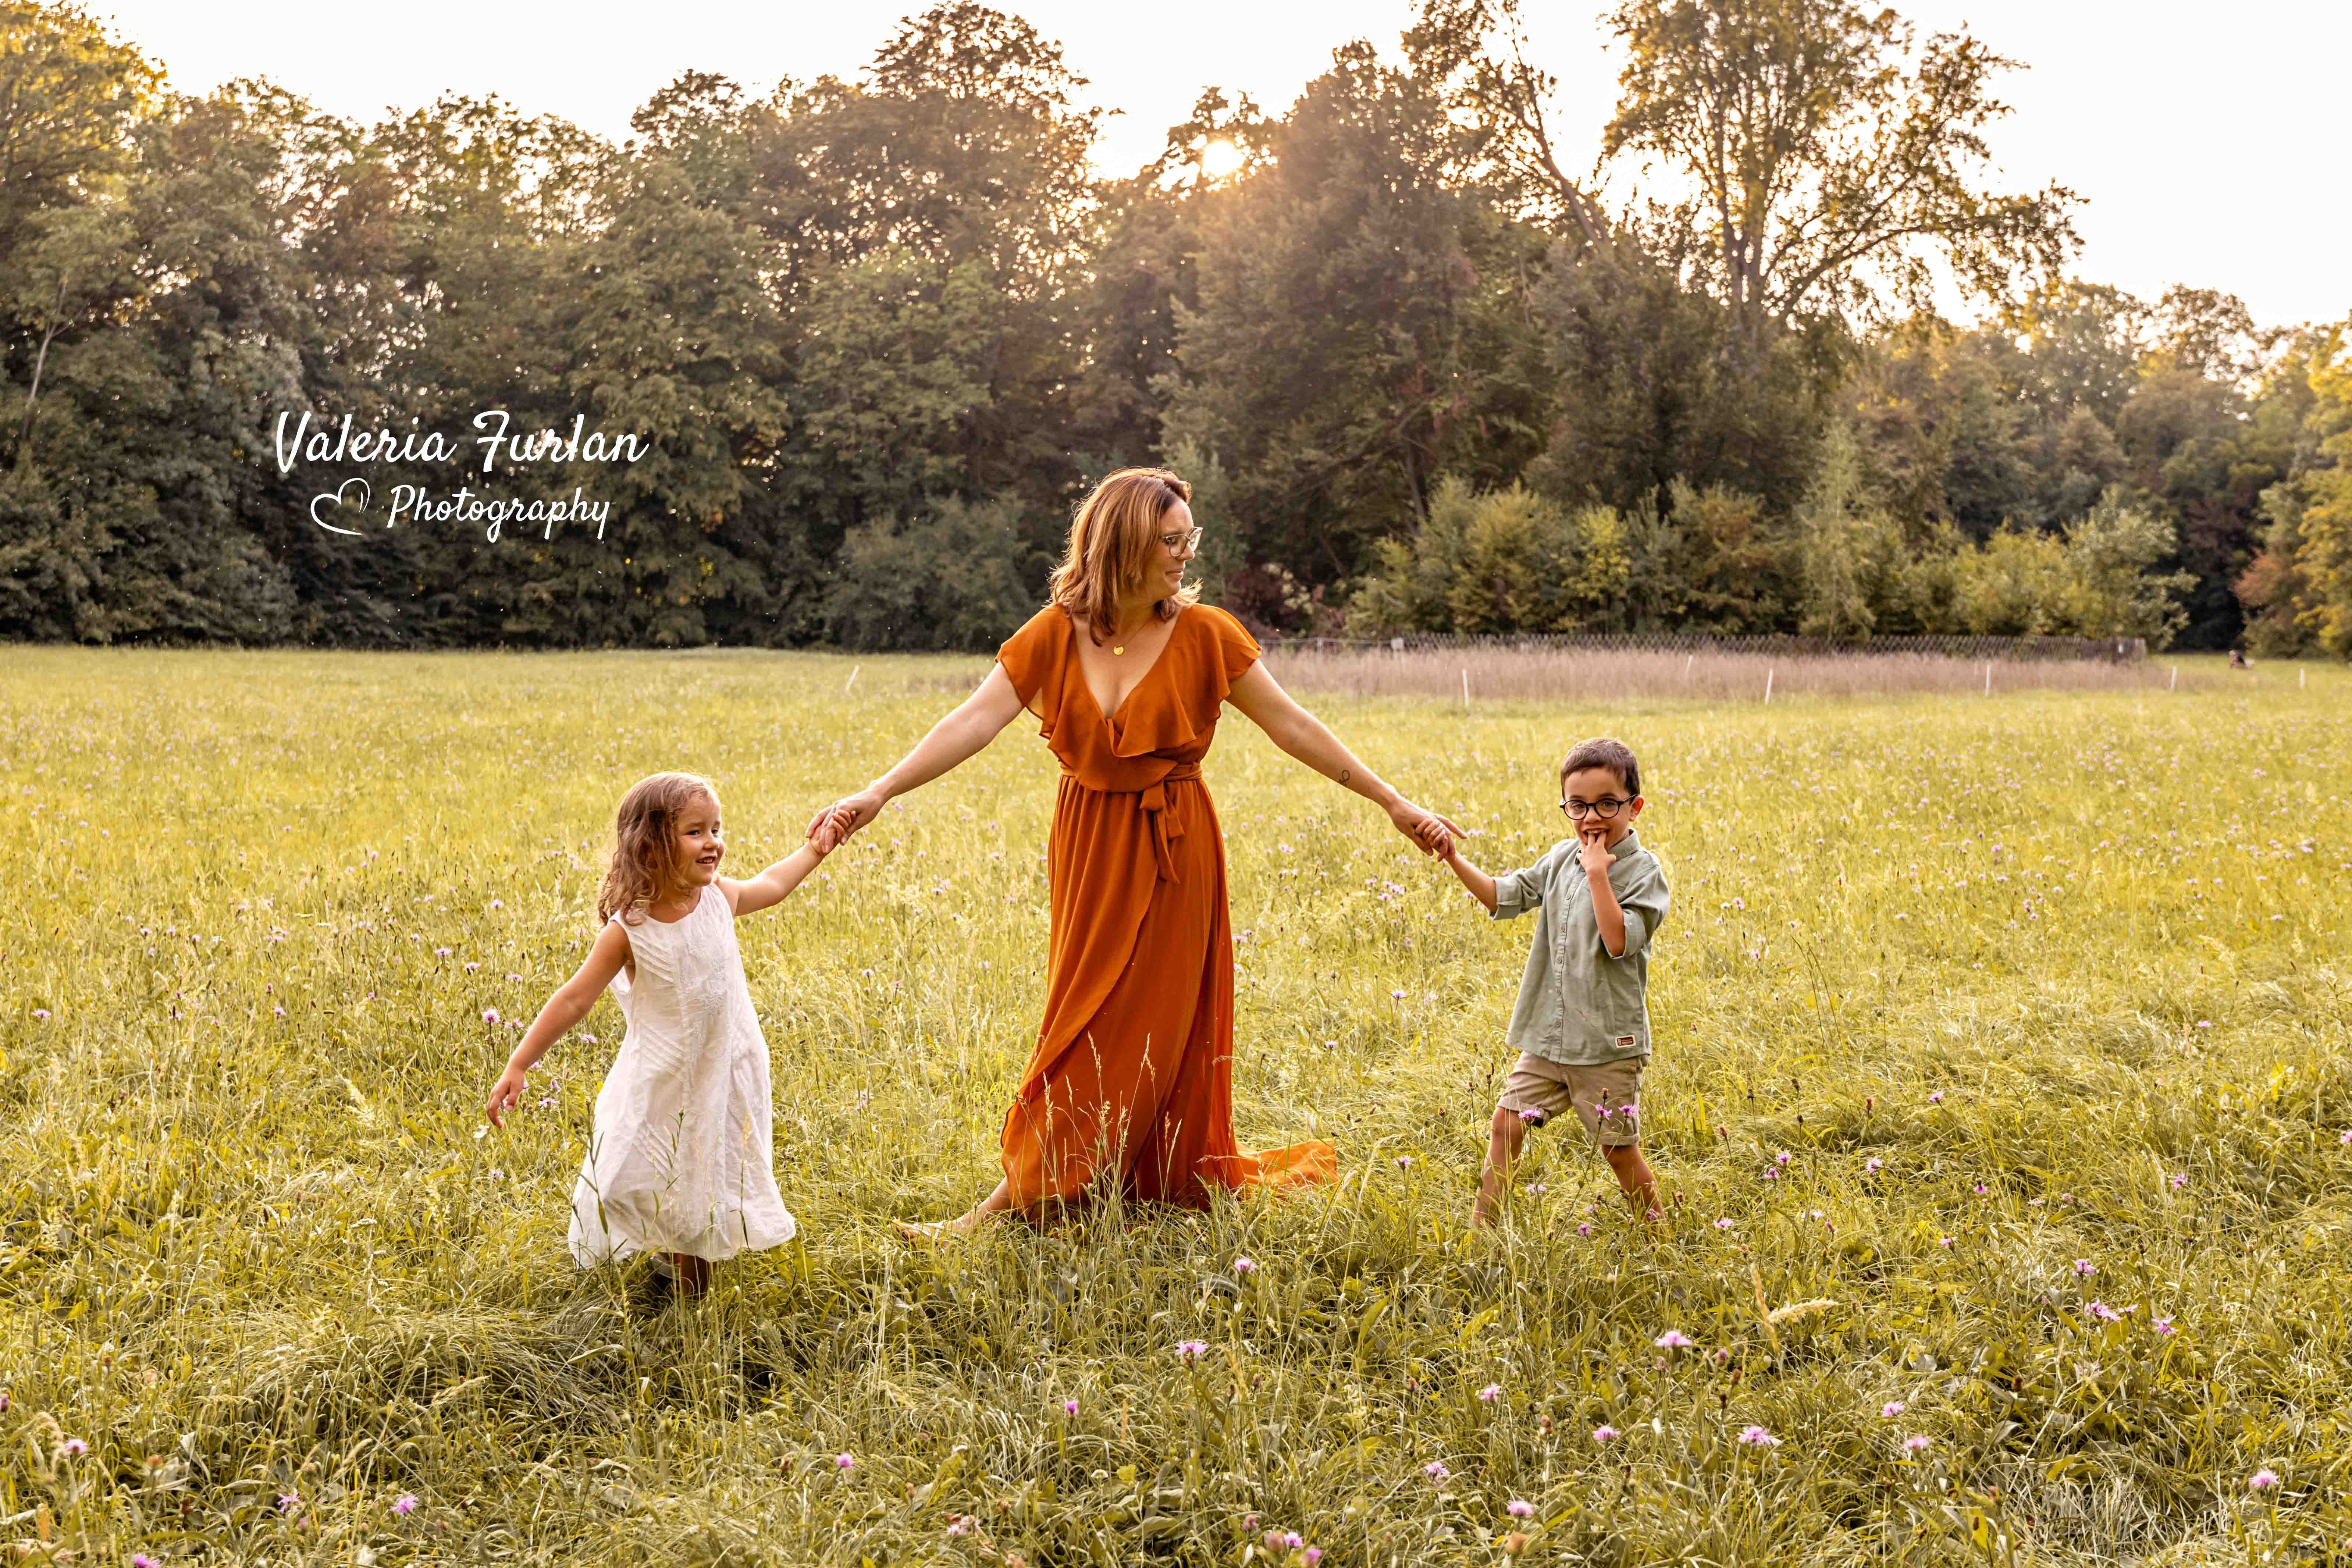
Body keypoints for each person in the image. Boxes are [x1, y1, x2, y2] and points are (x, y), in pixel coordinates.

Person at [809, 467, 1457, 1236]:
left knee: (1148, 1020)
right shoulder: (1053, 633)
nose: (1187, 554)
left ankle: (1013, 1203)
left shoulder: (1207, 632)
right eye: (1171, 541)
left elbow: (1294, 727)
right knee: (1080, 1016)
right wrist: (880, 791)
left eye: (1190, 538)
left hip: (1176, 848)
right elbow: (971, 722)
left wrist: (1392, 801)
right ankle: (1073, 1176)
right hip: (1090, 847)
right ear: (1123, 544)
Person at [484, 771, 824, 1296]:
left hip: (725, 1067)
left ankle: (691, 1298)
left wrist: (816, 848)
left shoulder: (719, 898)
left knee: (705, 1182)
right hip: (662, 1078)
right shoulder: (629, 930)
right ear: (650, 846)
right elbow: (575, 998)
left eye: (716, 829)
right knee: (630, 1178)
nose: (713, 843)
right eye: (695, 832)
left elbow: (773, 885)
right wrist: (520, 1063)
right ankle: (667, 1249)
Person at [1435, 737, 1670, 1229]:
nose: (1592, 818)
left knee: (1617, 1149)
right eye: (1578, 806)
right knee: (1506, 1124)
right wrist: (1452, 856)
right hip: (1551, 1036)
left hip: (1606, 1044)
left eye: (1607, 804)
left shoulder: (1644, 873)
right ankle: (1483, 1231)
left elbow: (1618, 941)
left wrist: (1599, 875)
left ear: (1635, 807)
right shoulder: (1562, 858)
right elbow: (1502, 896)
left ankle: (1659, 1232)